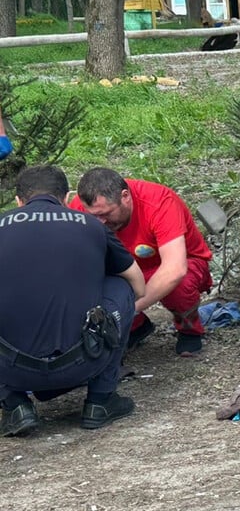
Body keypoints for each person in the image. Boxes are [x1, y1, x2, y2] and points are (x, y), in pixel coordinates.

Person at [0, 166, 145, 436]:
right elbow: (138, 284)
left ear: (18, 201)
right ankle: (100, 401)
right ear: (66, 198)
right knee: (120, 285)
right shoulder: (92, 226)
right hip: (82, 362)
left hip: (10, 369)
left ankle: (15, 405)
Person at [69, 168, 213, 357]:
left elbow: (175, 268)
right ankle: (137, 327)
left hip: (182, 262)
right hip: (128, 268)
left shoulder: (160, 202)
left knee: (180, 285)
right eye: (93, 216)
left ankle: (189, 329)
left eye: (106, 214)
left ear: (125, 196)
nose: (100, 222)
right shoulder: (79, 208)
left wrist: (126, 309)